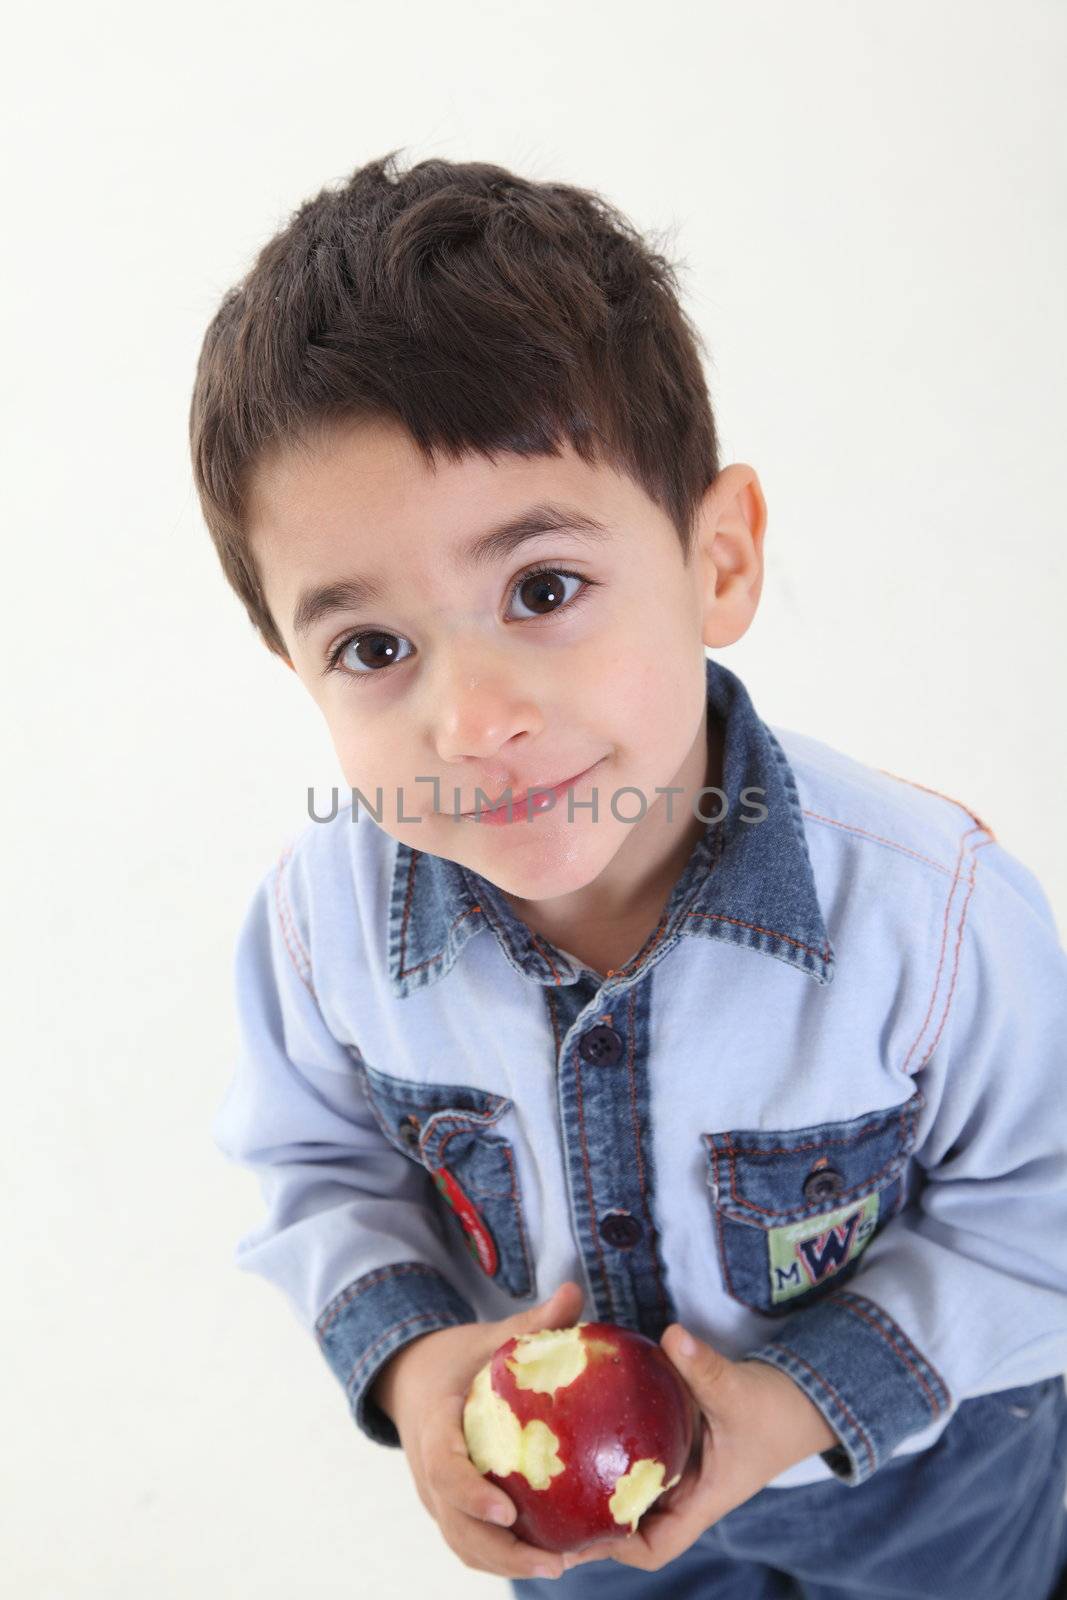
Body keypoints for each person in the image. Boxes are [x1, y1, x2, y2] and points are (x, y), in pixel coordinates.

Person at [192, 150, 1067, 1598]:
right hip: (581, 1521)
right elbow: (315, 1169)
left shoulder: (933, 912)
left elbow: (1042, 1205)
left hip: (932, 1488)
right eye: (372, 648)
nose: (472, 721)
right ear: (295, 667)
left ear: (716, 559)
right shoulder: (319, 930)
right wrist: (416, 1371)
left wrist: (789, 1405)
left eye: (542, 590)